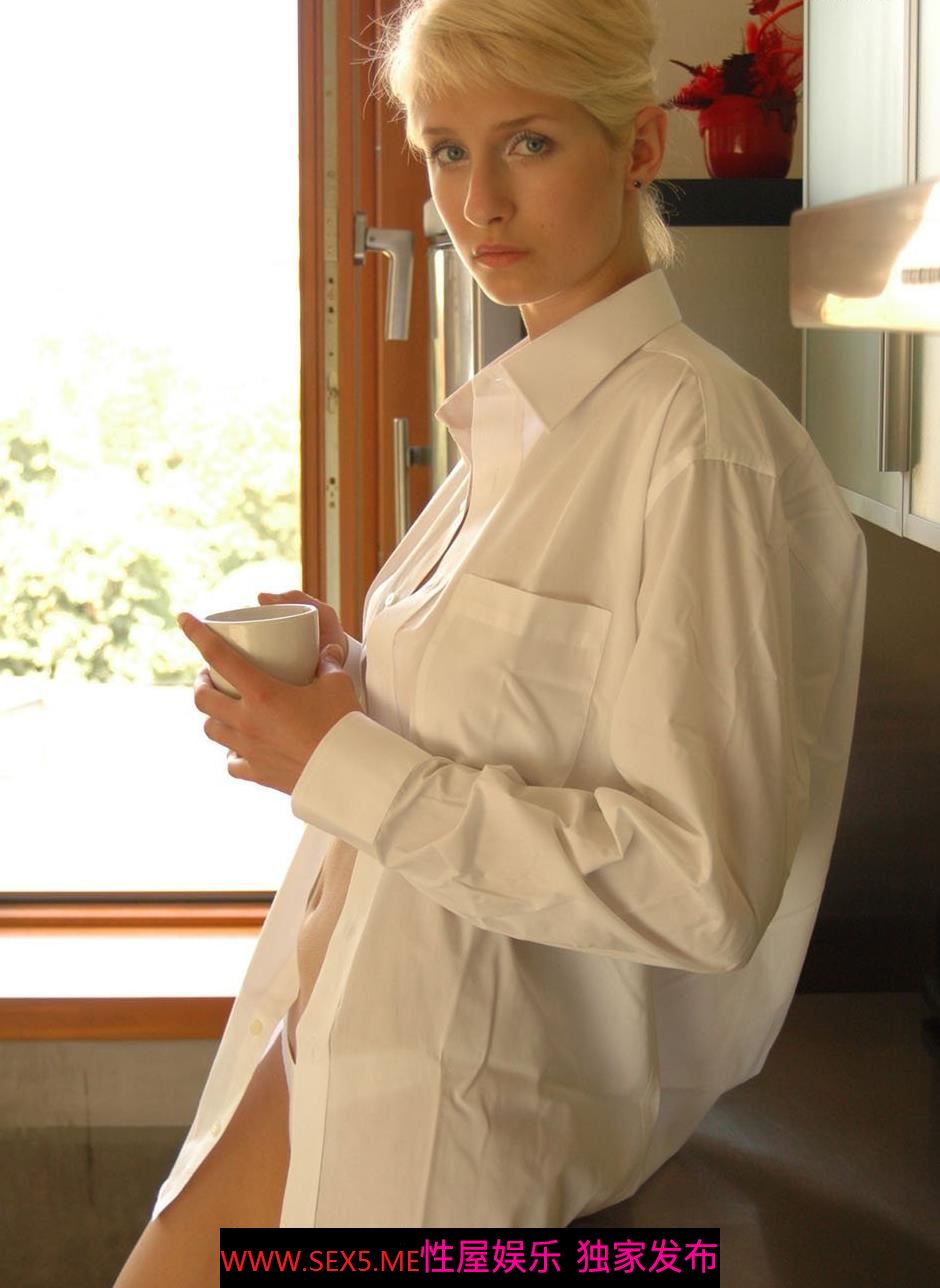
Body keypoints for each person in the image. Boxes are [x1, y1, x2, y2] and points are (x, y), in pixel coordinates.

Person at [115, 0, 866, 1273]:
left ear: (637, 148)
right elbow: (522, 724)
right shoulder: (515, 425)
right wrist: (352, 688)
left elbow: (702, 888)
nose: (479, 205)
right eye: (445, 151)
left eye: (528, 143)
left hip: (464, 1127)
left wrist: (340, 761)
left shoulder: (696, 446)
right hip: (332, 1048)